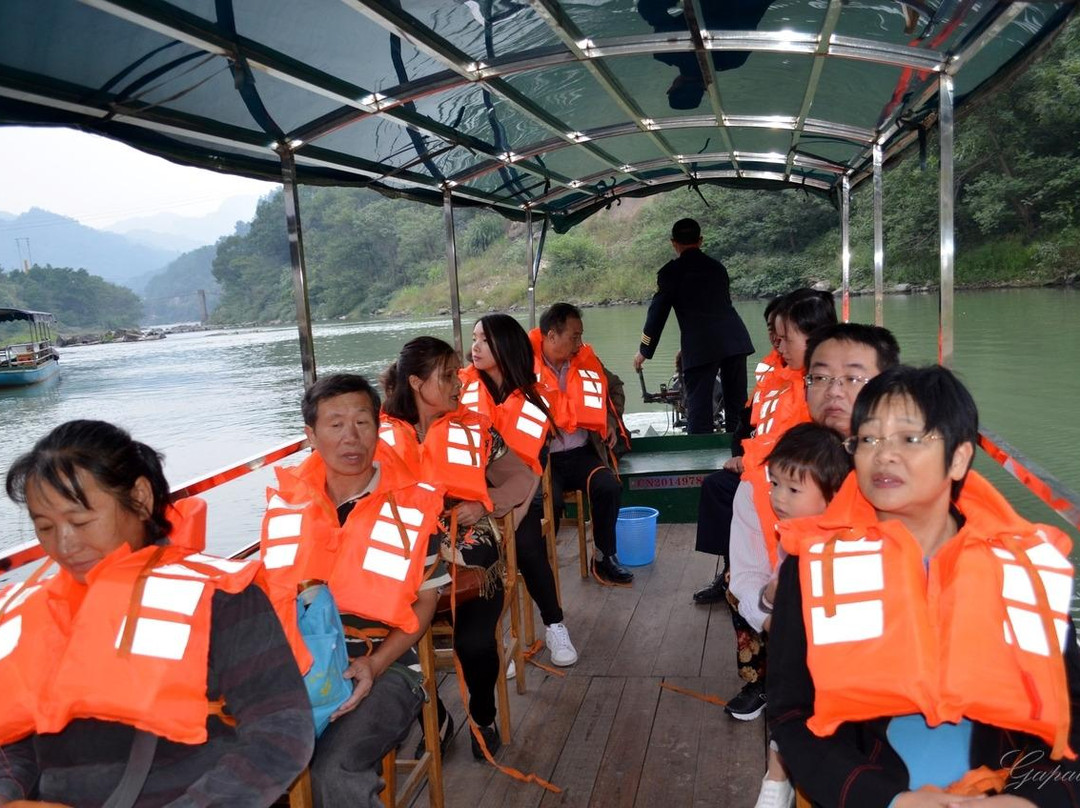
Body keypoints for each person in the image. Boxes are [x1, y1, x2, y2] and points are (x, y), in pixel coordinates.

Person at [769, 365, 1080, 807]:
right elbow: (791, 715)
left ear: (958, 458)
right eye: (869, 439)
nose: (883, 455)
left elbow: (1075, 713)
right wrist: (890, 800)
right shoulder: (813, 570)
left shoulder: (1023, 570)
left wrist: (1032, 800)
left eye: (909, 439)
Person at [0, 420, 313, 806]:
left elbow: (281, 734)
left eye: (80, 521)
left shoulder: (225, 600)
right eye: (44, 527)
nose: (64, 545)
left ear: (142, 498)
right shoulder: (31, 611)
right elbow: (11, 742)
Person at [258, 374, 446, 806]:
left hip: (386, 665)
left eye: (362, 422)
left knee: (332, 771)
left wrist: (375, 665)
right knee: (248, 770)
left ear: (378, 430)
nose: (351, 437)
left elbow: (427, 601)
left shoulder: (413, 507)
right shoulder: (287, 504)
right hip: (300, 665)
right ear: (311, 435)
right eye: (335, 423)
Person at [722, 320, 899, 721]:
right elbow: (748, 578)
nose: (834, 390)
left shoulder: (915, 482)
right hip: (801, 656)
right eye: (819, 377)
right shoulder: (764, 480)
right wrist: (781, 622)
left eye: (854, 377)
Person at [379, 336, 535, 758]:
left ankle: (482, 716)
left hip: (473, 571)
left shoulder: (477, 429)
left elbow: (521, 479)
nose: (458, 383)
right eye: (447, 376)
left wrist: (483, 501)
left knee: (475, 646)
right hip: (406, 575)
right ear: (414, 382)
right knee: (377, 651)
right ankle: (435, 716)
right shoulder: (379, 439)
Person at [726, 423, 851, 808]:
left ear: (833, 496)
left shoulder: (849, 538)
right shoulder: (791, 540)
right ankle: (780, 768)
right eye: (775, 484)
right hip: (798, 649)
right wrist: (770, 601)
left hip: (841, 656)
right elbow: (765, 596)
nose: (778, 498)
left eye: (793, 489)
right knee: (791, 701)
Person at [692, 290, 835, 604]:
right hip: (761, 465)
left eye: (784, 336)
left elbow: (803, 442)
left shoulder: (820, 390)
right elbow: (750, 422)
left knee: (728, 491)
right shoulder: (778, 373)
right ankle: (734, 572)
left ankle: (744, 577)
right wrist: (744, 457)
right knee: (720, 488)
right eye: (774, 334)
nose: (777, 344)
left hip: (785, 476)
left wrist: (751, 462)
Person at [462, 313, 578, 667]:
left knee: (526, 545)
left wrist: (512, 518)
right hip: (470, 498)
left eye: (484, 339)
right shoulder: (461, 393)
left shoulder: (533, 403)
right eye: (474, 338)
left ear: (505, 345)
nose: (475, 346)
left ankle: (555, 624)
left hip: (520, 500)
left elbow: (530, 474)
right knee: (476, 552)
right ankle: (490, 638)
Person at [531, 303, 633, 585]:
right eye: (574, 337)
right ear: (551, 336)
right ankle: (535, 568)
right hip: (542, 460)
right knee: (543, 503)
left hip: (581, 453)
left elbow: (615, 388)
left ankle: (603, 557)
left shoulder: (587, 361)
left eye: (580, 336)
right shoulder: (524, 368)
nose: (579, 344)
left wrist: (610, 422)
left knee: (608, 486)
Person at [633, 217, 754, 434]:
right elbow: (719, 307)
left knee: (699, 409)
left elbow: (657, 313)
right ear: (700, 241)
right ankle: (743, 458)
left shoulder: (671, 273)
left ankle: (701, 464)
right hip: (735, 341)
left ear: (674, 243)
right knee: (737, 406)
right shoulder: (717, 268)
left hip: (700, 346)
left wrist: (644, 351)